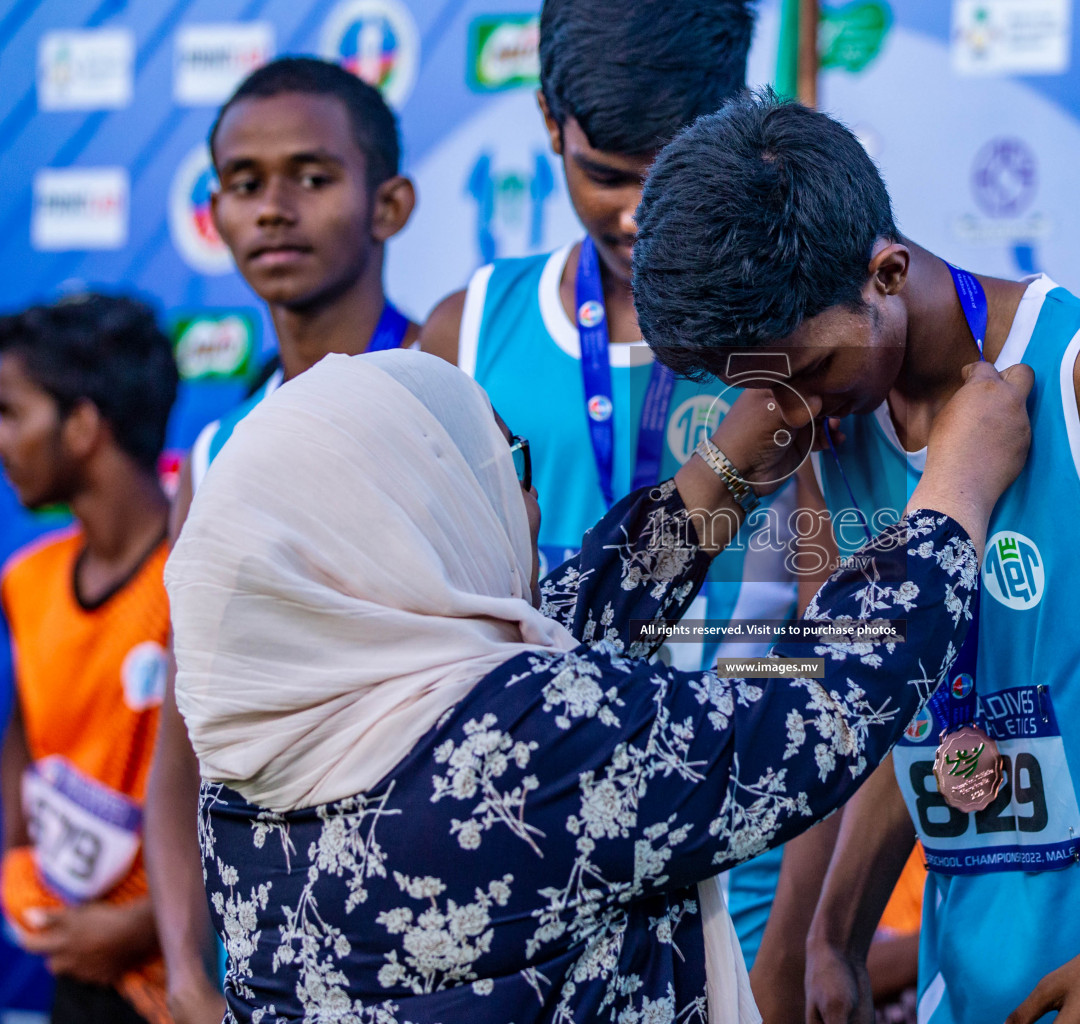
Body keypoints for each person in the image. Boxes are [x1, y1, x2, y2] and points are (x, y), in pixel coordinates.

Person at [631, 92, 1080, 1024]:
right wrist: (835, 932)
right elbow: (892, 707)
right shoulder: (828, 433)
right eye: (764, 389)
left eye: (811, 371)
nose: (793, 412)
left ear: (887, 271)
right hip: (974, 987)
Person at [165, 348, 1034, 1023]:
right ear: (410, 528)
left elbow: (570, 617)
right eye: (507, 469)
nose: (531, 513)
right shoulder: (520, 751)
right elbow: (820, 706)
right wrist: (957, 484)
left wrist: (739, 457)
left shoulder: (258, 764)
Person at [414, 0, 832, 993]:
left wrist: (807, 934)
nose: (638, 213)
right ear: (550, 118)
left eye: (667, 175)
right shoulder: (467, 333)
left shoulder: (810, 323)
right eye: (604, 176)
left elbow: (833, 629)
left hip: (752, 862)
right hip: (529, 865)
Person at [142, 56, 420, 1024]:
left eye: (312, 176)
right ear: (214, 211)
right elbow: (186, 735)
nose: (273, 208)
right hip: (272, 947)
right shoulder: (220, 448)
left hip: (436, 926)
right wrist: (185, 968)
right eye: (245, 183)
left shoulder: (457, 400)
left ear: (388, 203)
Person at [0, 295, 180, 1024]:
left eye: (11, 412)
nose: (1, 438)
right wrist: (18, 872)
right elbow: (23, 735)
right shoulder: (27, 579)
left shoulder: (195, 576)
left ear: (82, 425)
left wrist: (141, 925)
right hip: (75, 969)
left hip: (189, 974)